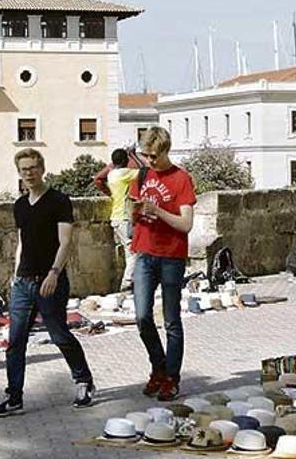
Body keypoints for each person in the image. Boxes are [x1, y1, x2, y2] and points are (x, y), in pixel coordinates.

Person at [0, 148, 96, 417]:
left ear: (42, 168)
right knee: (15, 341)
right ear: (19, 173)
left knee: (59, 335)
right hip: (23, 282)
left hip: (50, 281)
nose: (29, 173)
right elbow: (22, 242)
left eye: (34, 167)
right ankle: (14, 397)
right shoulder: (20, 205)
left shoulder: (59, 201)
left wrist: (54, 273)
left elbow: (66, 241)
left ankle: (83, 380)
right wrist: (15, 274)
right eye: (24, 169)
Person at [129, 126, 196, 402]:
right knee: (142, 317)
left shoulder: (181, 179)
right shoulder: (142, 174)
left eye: (154, 156)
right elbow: (132, 210)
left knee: (171, 320)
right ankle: (158, 366)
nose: (150, 161)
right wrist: (135, 212)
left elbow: (186, 224)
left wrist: (158, 211)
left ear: (166, 151)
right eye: (146, 155)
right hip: (144, 252)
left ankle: (171, 377)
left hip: (171, 255)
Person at [106, 148, 140, 291]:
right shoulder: (124, 173)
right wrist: (134, 155)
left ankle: (130, 282)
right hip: (124, 216)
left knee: (128, 251)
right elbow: (145, 171)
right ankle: (127, 283)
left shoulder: (111, 174)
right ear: (125, 161)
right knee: (134, 252)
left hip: (115, 216)